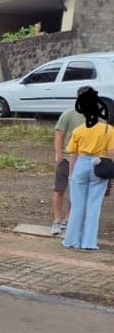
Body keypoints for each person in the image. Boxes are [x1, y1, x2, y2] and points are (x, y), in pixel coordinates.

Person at [62, 87, 114, 250]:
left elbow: (72, 154)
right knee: (94, 205)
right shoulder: (109, 130)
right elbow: (111, 154)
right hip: (99, 165)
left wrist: (71, 174)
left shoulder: (78, 130)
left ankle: (70, 240)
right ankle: (89, 242)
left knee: (77, 204)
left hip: (80, 164)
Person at [50, 87, 88, 235]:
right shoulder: (68, 115)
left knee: (77, 191)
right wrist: (58, 155)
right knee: (60, 189)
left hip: (85, 159)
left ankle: (69, 219)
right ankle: (57, 220)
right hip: (67, 158)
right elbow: (59, 136)